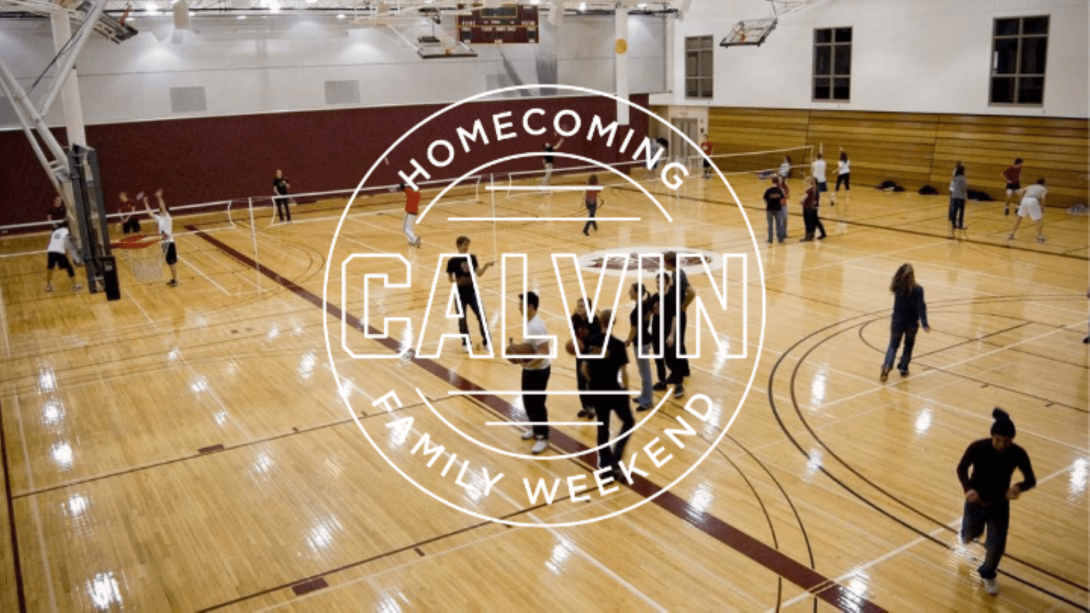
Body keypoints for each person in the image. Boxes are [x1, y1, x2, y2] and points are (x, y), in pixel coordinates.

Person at [957, 408, 1036, 596]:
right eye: (998, 439)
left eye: (1007, 441)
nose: (1002, 444)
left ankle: (988, 573)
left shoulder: (1018, 454)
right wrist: (969, 490)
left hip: (999, 505)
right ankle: (968, 532)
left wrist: (1018, 487)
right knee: (969, 534)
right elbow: (962, 469)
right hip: (975, 503)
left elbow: (1030, 479)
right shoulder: (977, 447)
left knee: (996, 545)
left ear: (1012, 440)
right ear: (991, 435)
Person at [581, 310, 634, 477]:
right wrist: (626, 389)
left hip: (597, 390)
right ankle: (615, 460)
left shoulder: (589, 341)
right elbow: (623, 372)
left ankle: (604, 466)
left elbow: (584, 369)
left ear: (601, 322)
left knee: (602, 428)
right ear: (613, 323)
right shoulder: (617, 345)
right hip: (613, 391)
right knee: (628, 422)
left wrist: (593, 382)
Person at [515, 291, 552, 454]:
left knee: (537, 404)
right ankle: (535, 429)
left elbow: (545, 351)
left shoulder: (536, 326)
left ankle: (543, 438)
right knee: (528, 402)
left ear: (529, 306)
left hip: (539, 371)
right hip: (530, 369)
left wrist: (527, 362)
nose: (519, 307)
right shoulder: (529, 322)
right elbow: (531, 348)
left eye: (521, 304)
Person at [881, 263, 930, 381]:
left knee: (893, 344)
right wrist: (924, 323)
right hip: (911, 323)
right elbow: (921, 307)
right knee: (908, 345)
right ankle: (903, 367)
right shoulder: (918, 289)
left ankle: (887, 365)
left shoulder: (897, 287)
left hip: (897, 321)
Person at [445, 236, 494, 351]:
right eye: (464, 245)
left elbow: (479, 273)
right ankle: (466, 343)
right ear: (458, 246)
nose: (466, 248)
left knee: (481, 316)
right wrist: (455, 280)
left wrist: (486, 266)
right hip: (460, 293)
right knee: (462, 319)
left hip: (472, 292)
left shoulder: (472, 258)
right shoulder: (452, 261)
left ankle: (487, 341)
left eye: (468, 245)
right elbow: (449, 278)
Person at [663, 252, 694, 399]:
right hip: (679, 314)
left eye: (664, 262)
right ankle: (685, 369)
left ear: (669, 263)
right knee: (679, 343)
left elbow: (691, 293)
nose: (663, 264)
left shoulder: (676, 277)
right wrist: (684, 306)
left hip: (675, 315)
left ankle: (678, 379)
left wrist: (683, 306)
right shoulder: (680, 273)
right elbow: (691, 292)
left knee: (672, 346)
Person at [625, 282, 654, 411]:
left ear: (637, 293)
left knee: (645, 372)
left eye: (631, 291)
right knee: (643, 371)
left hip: (641, 343)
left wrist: (628, 341)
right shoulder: (645, 305)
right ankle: (644, 395)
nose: (629, 293)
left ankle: (648, 400)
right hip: (646, 340)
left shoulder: (636, 311)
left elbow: (634, 330)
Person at [143, 189, 178, 287]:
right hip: (164, 243)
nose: (160, 211)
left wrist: (159, 197)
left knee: (172, 262)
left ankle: (175, 279)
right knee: (169, 262)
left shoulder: (168, 218)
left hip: (169, 243)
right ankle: (173, 278)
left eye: (161, 210)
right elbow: (150, 213)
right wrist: (145, 203)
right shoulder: (160, 219)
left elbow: (163, 207)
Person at [572, 298, 599, 419]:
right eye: (578, 306)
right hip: (580, 354)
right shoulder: (575, 319)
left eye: (581, 306)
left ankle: (593, 407)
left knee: (591, 382)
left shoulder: (594, 321)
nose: (579, 308)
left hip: (592, 355)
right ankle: (585, 406)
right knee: (581, 382)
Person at [1008, 178, 1047, 243]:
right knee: (1039, 220)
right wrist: (1042, 206)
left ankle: (1011, 234)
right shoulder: (1044, 189)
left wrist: (1014, 192)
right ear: (1043, 183)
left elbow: (1019, 191)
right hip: (1033, 200)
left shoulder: (1030, 186)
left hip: (1025, 200)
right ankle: (1039, 237)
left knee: (1019, 218)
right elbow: (1043, 198)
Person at [44, 224, 81, 292]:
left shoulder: (54, 232)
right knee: (69, 268)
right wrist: (75, 258)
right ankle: (75, 285)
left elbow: (49, 241)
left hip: (51, 250)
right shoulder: (66, 232)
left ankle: (48, 286)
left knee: (50, 268)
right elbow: (68, 244)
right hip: (59, 251)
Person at [799, 177, 826, 241]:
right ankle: (820, 233)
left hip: (808, 208)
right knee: (815, 221)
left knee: (809, 222)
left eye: (807, 181)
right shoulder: (816, 189)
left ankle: (808, 236)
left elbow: (802, 199)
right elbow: (817, 199)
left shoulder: (809, 190)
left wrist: (801, 201)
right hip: (814, 207)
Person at [763, 176, 786, 244]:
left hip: (769, 209)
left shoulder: (768, 190)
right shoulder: (779, 190)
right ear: (778, 182)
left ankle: (770, 239)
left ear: (772, 181)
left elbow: (765, 199)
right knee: (779, 224)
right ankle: (780, 238)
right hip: (778, 209)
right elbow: (782, 198)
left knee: (770, 224)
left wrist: (769, 203)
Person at [949, 163, 968, 239]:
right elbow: (963, 187)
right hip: (960, 196)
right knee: (961, 210)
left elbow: (953, 186)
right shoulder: (962, 178)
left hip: (954, 195)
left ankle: (953, 222)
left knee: (955, 209)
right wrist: (965, 194)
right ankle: (960, 224)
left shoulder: (955, 178)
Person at [400, 183, 421, 248]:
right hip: (415, 213)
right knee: (410, 227)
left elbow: (404, 189)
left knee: (405, 228)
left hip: (409, 212)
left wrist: (402, 187)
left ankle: (415, 239)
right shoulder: (418, 194)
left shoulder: (410, 192)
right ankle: (411, 240)